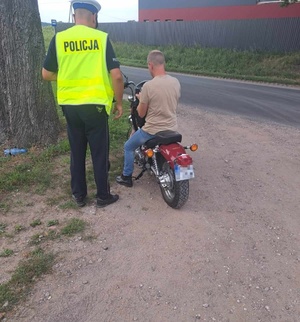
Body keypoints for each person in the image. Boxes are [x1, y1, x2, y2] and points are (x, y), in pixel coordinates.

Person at [42, 0, 124, 208]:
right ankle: (103, 196)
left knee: (76, 150)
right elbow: (116, 76)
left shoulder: (59, 39)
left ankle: (79, 195)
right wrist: (120, 102)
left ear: (74, 17)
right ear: (94, 17)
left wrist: (69, 77)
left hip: (70, 105)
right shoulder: (101, 38)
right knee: (99, 152)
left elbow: (46, 74)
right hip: (95, 105)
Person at [116, 50, 181, 187]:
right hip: (172, 127)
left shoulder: (148, 86)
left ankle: (126, 177)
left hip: (152, 130)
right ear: (163, 63)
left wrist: (141, 100)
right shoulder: (175, 82)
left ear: (150, 65)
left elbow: (140, 113)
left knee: (128, 146)